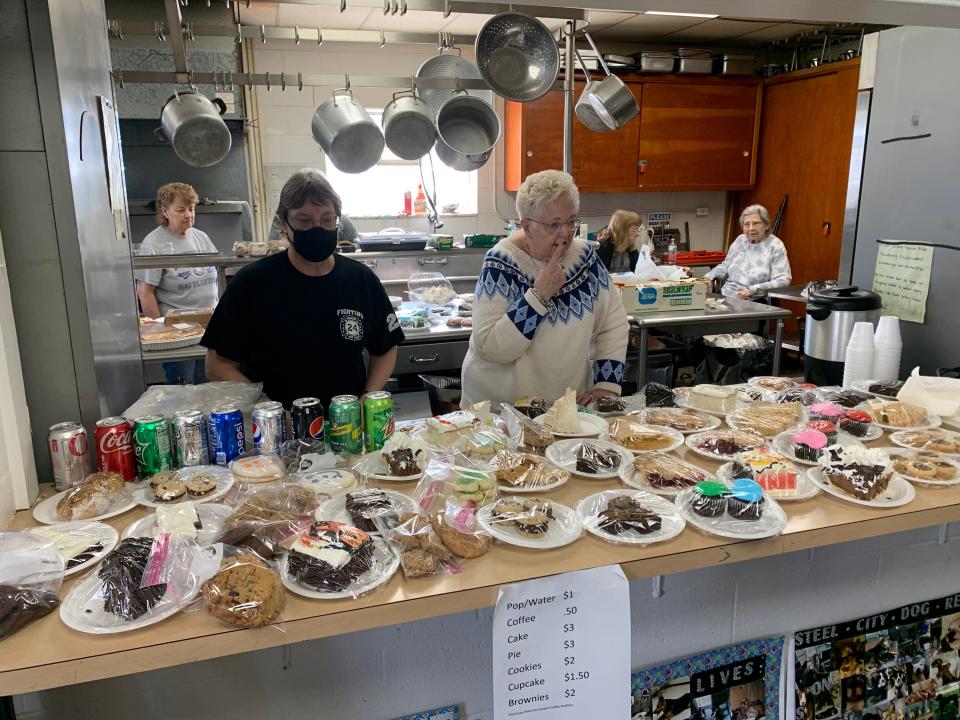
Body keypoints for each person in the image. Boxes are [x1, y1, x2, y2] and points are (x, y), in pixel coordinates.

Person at [201, 168, 404, 409]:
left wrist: (366, 399)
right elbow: (217, 365)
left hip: (347, 430)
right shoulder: (252, 284)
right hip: (276, 434)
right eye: (304, 221)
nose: (317, 229)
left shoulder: (361, 279)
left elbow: (386, 348)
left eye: (327, 220)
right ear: (283, 223)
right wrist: (267, 410)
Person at [460, 170, 629, 408]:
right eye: (554, 225)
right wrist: (538, 296)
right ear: (527, 226)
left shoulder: (585, 258)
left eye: (571, 222)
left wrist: (607, 385)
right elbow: (490, 348)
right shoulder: (501, 262)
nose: (565, 233)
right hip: (499, 412)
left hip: (566, 408)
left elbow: (614, 323)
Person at [135, 182, 219, 385]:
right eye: (180, 210)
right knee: (184, 388)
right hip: (178, 334)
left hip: (209, 329)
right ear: (165, 211)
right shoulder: (154, 244)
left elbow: (218, 273)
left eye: (191, 209)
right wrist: (163, 331)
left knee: (210, 384)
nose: (188, 215)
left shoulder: (201, 238)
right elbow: (145, 292)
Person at [704, 204, 792, 298]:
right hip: (727, 296)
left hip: (755, 301)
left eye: (756, 223)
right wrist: (709, 277)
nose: (751, 228)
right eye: (747, 224)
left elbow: (783, 280)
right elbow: (726, 266)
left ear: (766, 225)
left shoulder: (775, 245)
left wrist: (752, 290)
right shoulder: (740, 240)